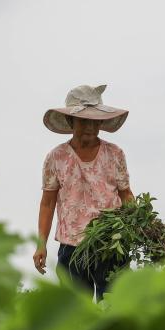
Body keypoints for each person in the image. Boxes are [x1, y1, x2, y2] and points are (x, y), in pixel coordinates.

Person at [33, 84, 134, 301]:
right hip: (72, 247)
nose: (90, 127)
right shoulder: (56, 157)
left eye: (95, 121)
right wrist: (41, 245)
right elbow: (47, 203)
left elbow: (126, 194)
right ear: (71, 121)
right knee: (76, 312)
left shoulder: (115, 154)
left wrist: (140, 225)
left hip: (111, 243)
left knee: (114, 307)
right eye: (84, 121)